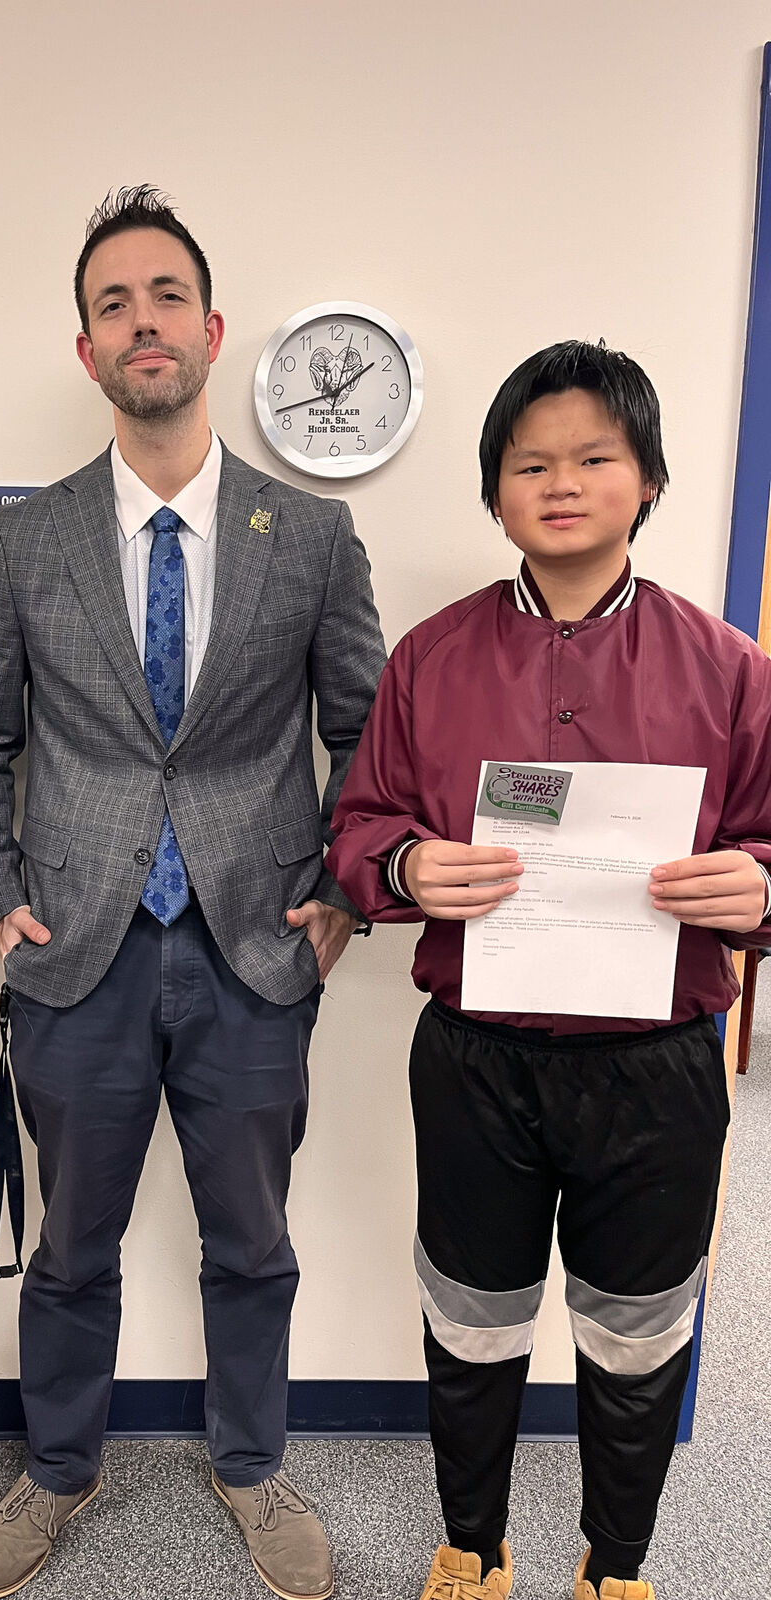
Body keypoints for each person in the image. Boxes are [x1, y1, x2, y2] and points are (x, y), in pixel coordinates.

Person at [0, 186, 384, 1600]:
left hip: (258, 950)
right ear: (88, 349)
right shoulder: (25, 543)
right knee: (72, 1243)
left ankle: (250, 1466)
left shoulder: (309, 539)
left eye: (165, 296)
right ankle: (59, 1468)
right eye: (114, 304)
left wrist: (340, 896)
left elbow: (368, 731)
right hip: (76, 950)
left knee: (252, 1239)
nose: (144, 321)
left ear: (211, 326)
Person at [327, 340, 771, 1600]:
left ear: (649, 481)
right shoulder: (430, 658)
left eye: (595, 457)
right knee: (472, 1323)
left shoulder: (731, 669)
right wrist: (408, 869)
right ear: (494, 491)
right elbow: (357, 828)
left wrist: (762, 888)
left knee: (636, 1338)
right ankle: (472, 1546)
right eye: (531, 462)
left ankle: (615, 1567)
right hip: (480, 1060)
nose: (561, 481)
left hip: (661, 1068)